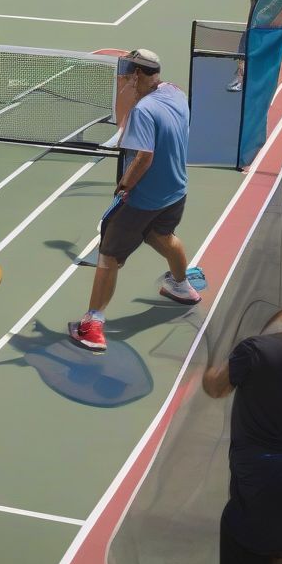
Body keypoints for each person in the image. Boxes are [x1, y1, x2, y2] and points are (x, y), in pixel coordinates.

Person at [69, 49, 199, 353]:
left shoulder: (144, 110)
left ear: (139, 75)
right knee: (162, 236)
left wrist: (124, 184)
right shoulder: (176, 93)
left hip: (144, 198)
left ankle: (92, 325)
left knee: (108, 255)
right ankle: (181, 285)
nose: (127, 81)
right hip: (176, 190)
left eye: (129, 76)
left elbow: (143, 157)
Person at [202, 308, 282, 564]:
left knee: (243, 540)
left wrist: (208, 368)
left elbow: (216, 388)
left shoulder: (255, 350)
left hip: (260, 476)